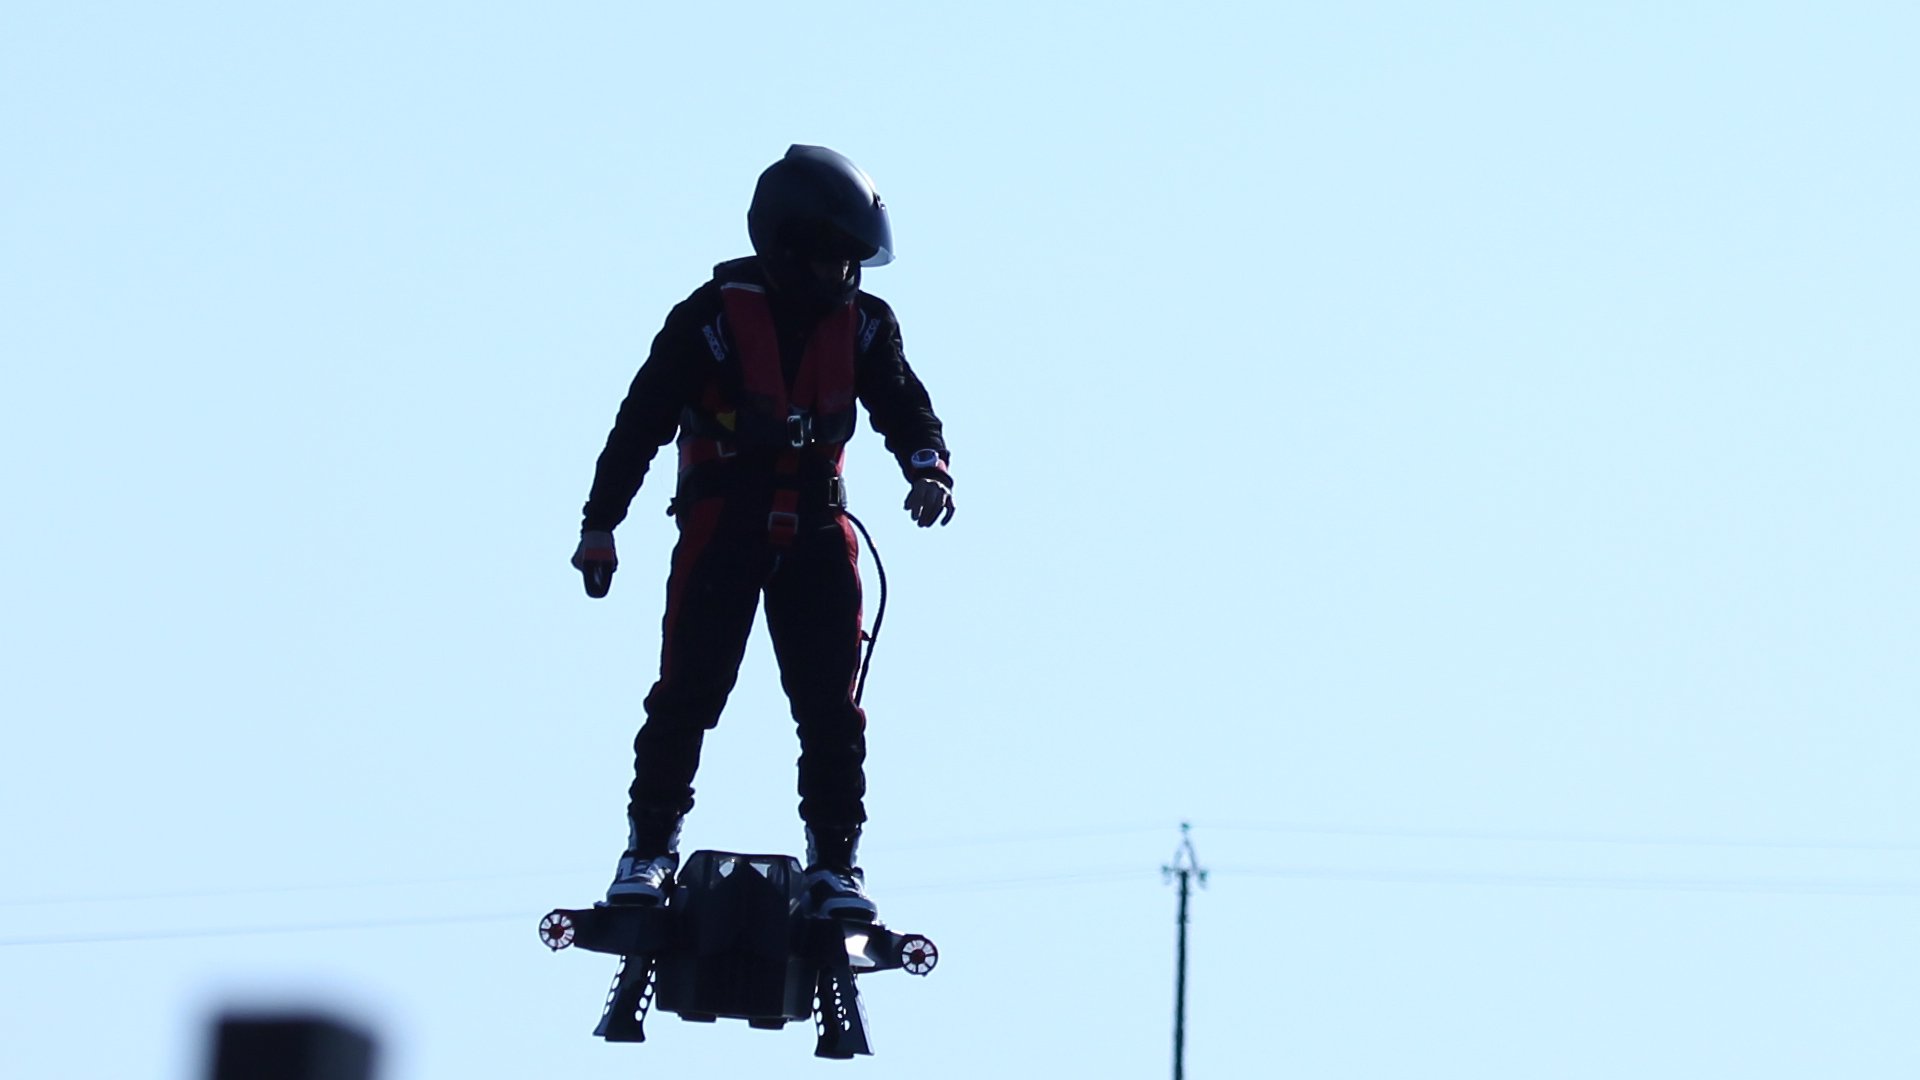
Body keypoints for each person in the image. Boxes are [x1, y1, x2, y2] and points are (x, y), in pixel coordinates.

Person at [572, 145, 954, 922]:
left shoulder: (867, 327)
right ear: (786, 246)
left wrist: (929, 467)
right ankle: (649, 851)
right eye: (831, 258)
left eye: (852, 262)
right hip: (723, 528)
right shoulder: (708, 319)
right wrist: (600, 523)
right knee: (686, 695)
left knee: (832, 711)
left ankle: (836, 864)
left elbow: (905, 404)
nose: (843, 276)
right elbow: (639, 421)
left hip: (820, 533)